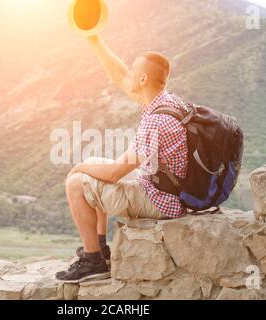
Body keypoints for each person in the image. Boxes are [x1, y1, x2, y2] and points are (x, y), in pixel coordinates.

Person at [56, 35, 189, 283]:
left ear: (143, 79)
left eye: (134, 70)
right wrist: (95, 40)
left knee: (76, 182)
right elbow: (118, 74)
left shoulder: (155, 122)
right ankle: (100, 247)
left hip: (160, 199)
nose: (129, 75)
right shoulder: (168, 102)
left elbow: (116, 173)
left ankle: (93, 261)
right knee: (96, 163)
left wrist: (79, 167)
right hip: (168, 187)